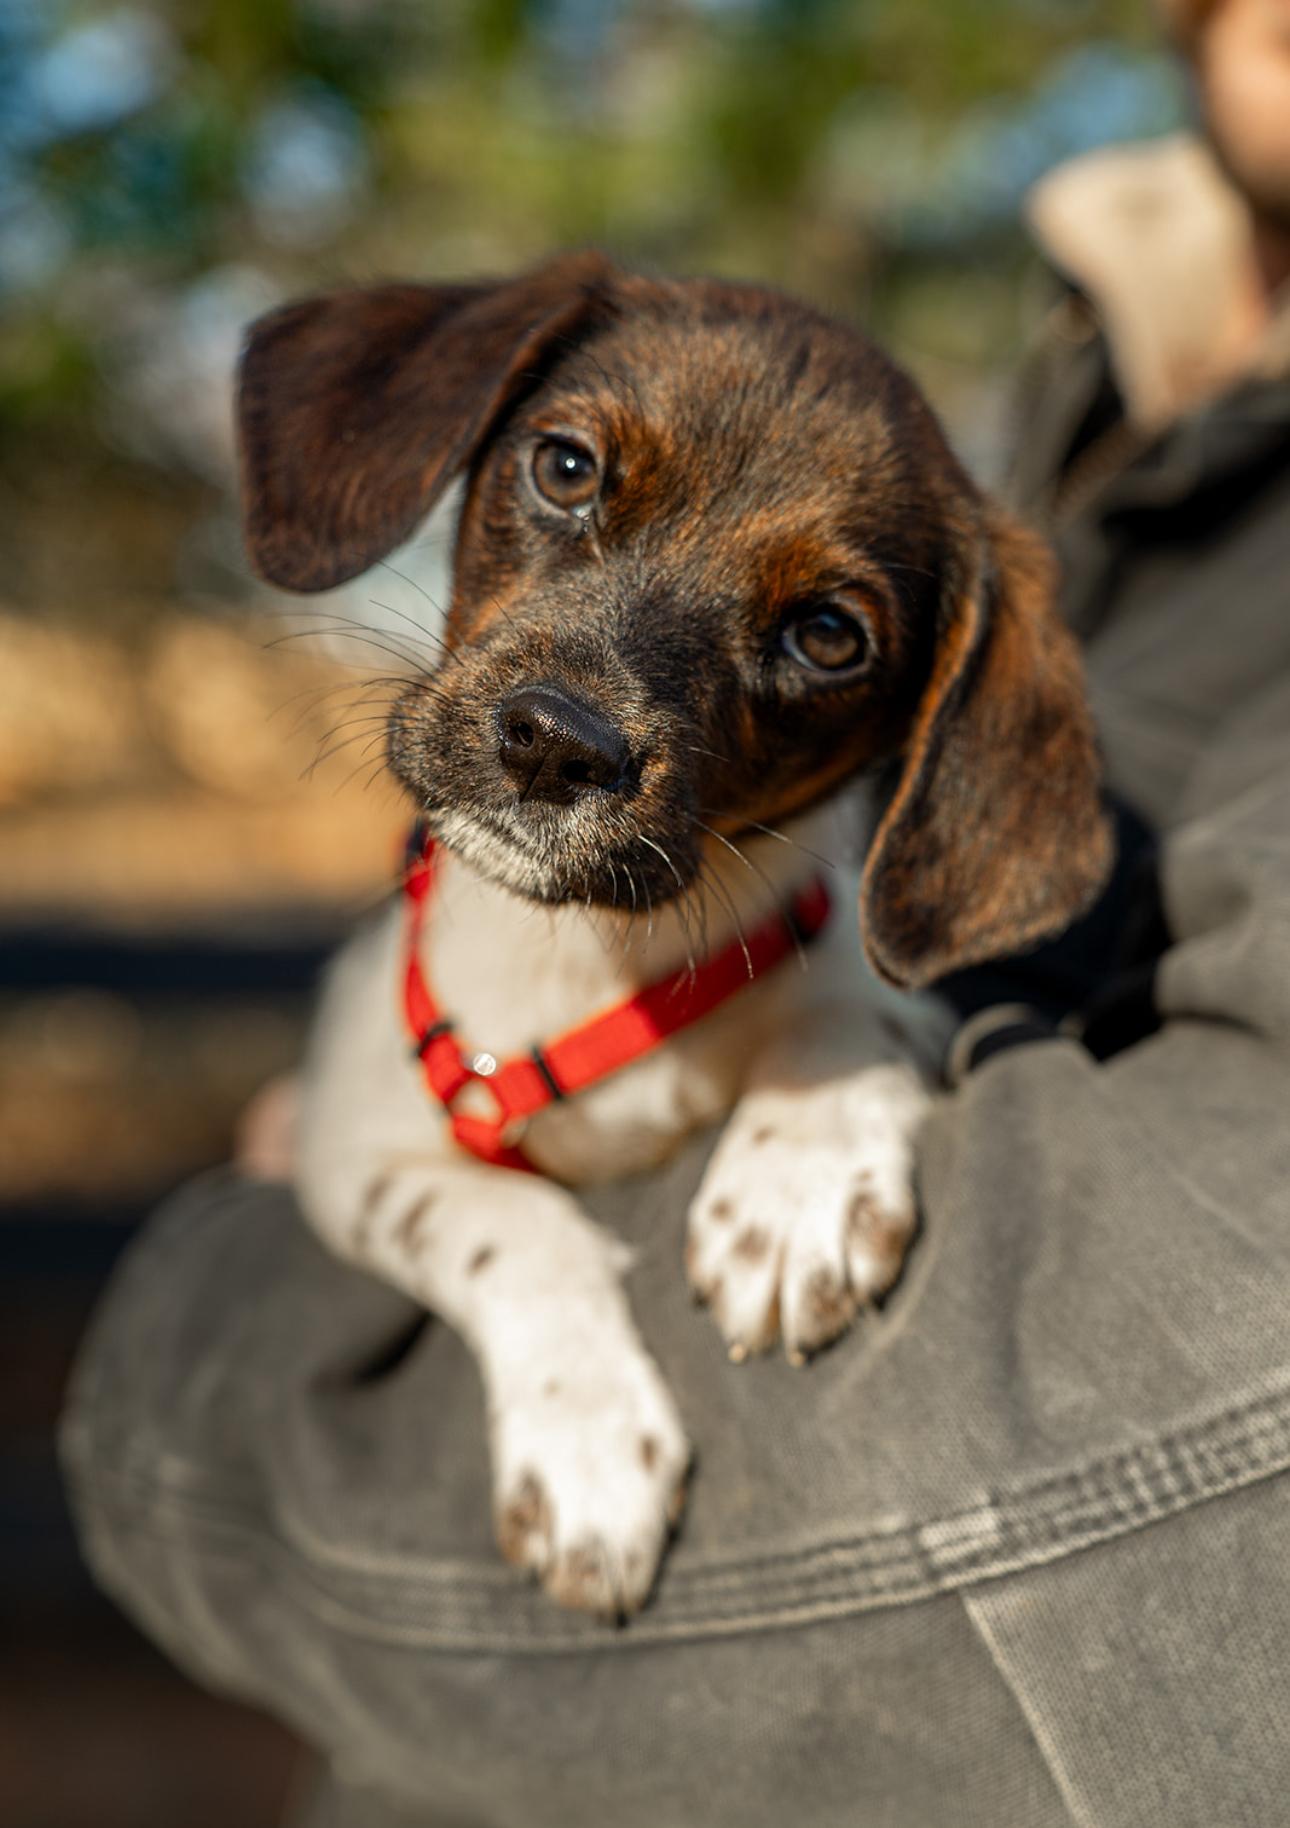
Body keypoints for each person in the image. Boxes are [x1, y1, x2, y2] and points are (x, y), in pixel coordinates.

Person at [62, 2, 1290, 1822]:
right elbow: (356, 1126)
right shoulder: (1079, 386)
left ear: (897, 732)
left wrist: (838, 1075)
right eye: (567, 477)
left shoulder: (967, 648)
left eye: (813, 637)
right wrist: (523, 1271)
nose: (581, 705)